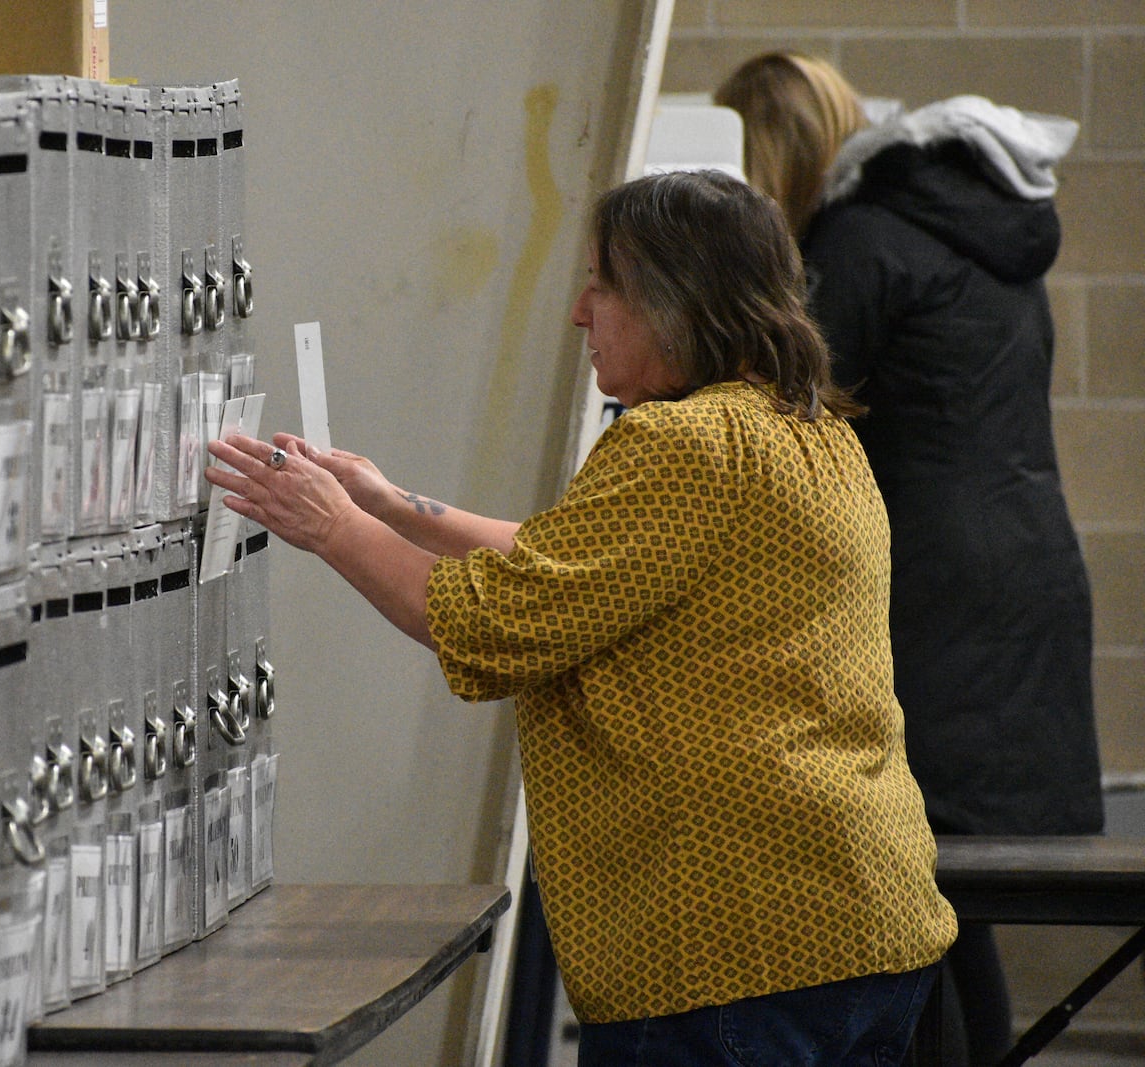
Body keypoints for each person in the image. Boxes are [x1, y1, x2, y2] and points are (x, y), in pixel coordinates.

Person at [206, 170, 957, 1067]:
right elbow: (586, 562)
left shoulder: (680, 443)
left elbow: (492, 622)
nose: (578, 312)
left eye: (602, 285)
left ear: (672, 301)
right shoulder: (805, 429)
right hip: (857, 919)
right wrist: (389, 503)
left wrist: (329, 524)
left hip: (737, 944)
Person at [715, 53, 1106, 1067]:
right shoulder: (974, 233)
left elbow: (782, 414)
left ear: (776, 155)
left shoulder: (859, 243)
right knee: (940, 887)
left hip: (937, 598)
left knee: (909, 884)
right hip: (1016, 576)